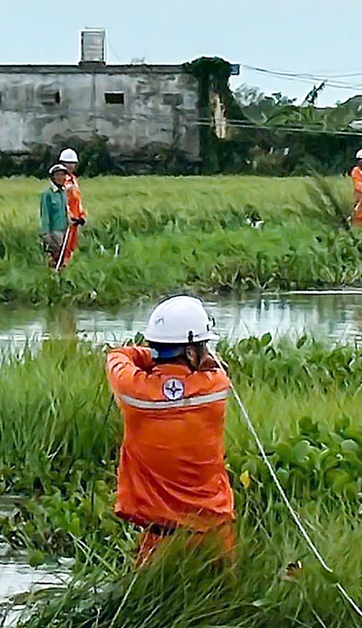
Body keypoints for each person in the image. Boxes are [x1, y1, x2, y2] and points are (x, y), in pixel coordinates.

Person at [106, 295, 235, 567]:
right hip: (212, 535)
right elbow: (217, 367)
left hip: (158, 535)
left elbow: (117, 356)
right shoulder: (215, 387)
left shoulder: (132, 391)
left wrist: (151, 355)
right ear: (191, 352)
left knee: (148, 603)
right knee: (224, 605)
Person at [56, 148, 87, 270]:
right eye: (69, 164)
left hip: (75, 220)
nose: (72, 166)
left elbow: (77, 200)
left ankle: (66, 270)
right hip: (65, 220)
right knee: (60, 248)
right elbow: (62, 201)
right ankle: (57, 271)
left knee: (70, 247)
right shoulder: (61, 181)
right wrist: (68, 216)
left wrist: (82, 215)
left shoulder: (73, 180)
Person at [40, 165, 70, 270]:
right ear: (53, 177)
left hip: (64, 231)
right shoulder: (47, 194)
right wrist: (46, 234)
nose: (61, 177)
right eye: (58, 175)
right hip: (54, 231)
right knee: (54, 259)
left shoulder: (63, 193)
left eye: (63, 174)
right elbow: (45, 214)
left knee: (64, 261)